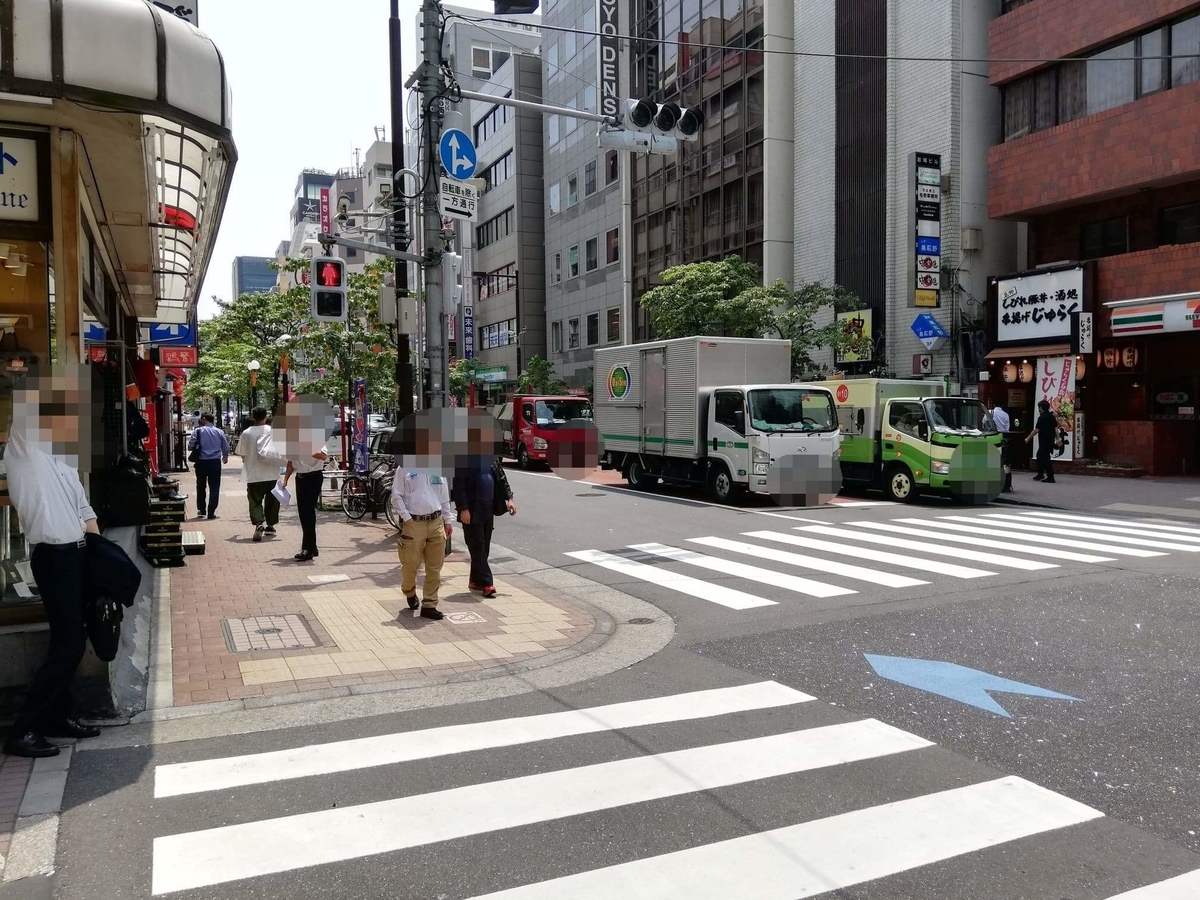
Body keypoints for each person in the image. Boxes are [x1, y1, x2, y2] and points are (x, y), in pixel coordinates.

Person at [4, 369, 103, 757]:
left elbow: (83, 505)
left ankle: (58, 716)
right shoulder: (25, 444)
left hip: (76, 553)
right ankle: (24, 729)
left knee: (71, 640)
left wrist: (97, 550)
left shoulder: (61, 456)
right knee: (68, 643)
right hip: (54, 557)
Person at [391, 424, 454, 621]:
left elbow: (444, 497)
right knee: (410, 565)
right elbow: (396, 496)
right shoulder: (405, 468)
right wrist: (407, 518)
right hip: (414, 523)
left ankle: (429, 604)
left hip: (435, 522)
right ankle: (409, 591)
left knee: (435, 566)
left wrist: (448, 520)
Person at [453, 430, 515, 598]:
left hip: (488, 509)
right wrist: (463, 508)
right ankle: (487, 583)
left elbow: (502, 479)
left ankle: (475, 580)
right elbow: (459, 487)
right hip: (471, 511)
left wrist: (509, 499)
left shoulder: (491, 460)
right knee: (477, 546)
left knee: (483, 547)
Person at [279, 396, 330, 562]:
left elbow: (323, 456)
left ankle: (308, 548)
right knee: (303, 513)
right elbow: (291, 461)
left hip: (313, 477)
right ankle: (311, 547)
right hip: (300, 478)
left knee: (308, 513)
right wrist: (286, 479)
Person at [236, 407, 281, 542]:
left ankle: (259, 523)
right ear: (266, 417)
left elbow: (242, 455)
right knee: (272, 501)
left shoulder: (246, 433)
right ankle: (271, 525)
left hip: (254, 474)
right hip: (272, 472)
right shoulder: (273, 431)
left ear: (252, 417)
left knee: (255, 501)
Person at [188, 413, 229, 519]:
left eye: (201, 419)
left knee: (201, 486)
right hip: (215, 462)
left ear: (204, 419)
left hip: (201, 462)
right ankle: (211, 512)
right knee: (214, 487)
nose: (200, 420)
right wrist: (225, 457)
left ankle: (202, 510)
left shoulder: (198, 431)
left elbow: (191, 445)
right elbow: (225, 446)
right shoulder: (219, 432)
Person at [1025, 399, 1058, 484]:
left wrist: (1028, 438)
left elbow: (1036, 430)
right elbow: (1055, 428)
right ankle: (1040, 474)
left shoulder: (1042, 418)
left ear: (1041, 407)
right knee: (1040, 456)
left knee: (1045, 458)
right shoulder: (1051, 417)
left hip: (1044, 440)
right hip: (1050, 440)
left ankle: (1050, 476)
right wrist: (1058, 438)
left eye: (1038, 407)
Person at [990, 403, 1012, 493]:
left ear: (993, 404)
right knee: (1004, 462)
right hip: (1003, 439)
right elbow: (1007, 428)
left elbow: (984, 423)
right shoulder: (1006, 414)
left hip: (992, 438)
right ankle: (1006, 485)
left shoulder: (990, 412)